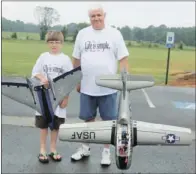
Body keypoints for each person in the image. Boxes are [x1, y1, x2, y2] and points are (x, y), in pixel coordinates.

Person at [71, 4, 129, 166]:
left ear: (104, 15)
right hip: (87, 86)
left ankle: (106, 152)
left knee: (108, 121)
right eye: (92, 16)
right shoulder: (82, 34)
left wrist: (123, 83)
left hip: (108, 88)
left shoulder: (115, 34)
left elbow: (123, 59)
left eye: (98, 15)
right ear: (89, 17)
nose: (96, 18)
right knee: (88, 119)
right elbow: (76, 59)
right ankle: (85, 147)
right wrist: (76, 80)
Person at [31, 31, 73, 163]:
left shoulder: (65, 59)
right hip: (44, 96)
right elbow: (35, 72)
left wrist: (66, 97)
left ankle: (53, 149)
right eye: (51, 42)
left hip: (59, 97)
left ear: (61, 43)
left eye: (56, 42)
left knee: (55, 125)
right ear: (47, 43)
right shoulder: (43, 57)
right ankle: (42, 149)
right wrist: (42, 78)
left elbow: (70, 80)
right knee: (44, 125)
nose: (54, 44)